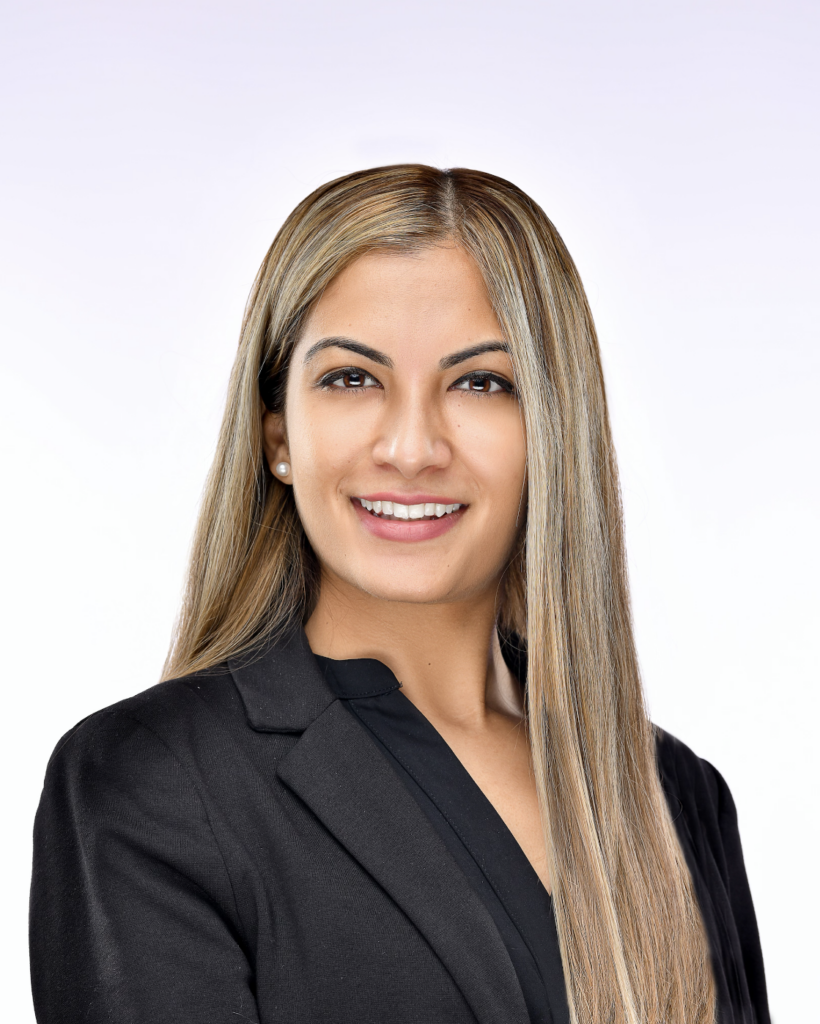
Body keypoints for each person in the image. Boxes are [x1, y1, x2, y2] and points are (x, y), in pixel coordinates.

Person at [29, 165, 770, 1024]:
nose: (412, 448)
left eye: (480, 382)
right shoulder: (153, 785)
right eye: (351, 378)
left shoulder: (676, 794)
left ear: (553, 434)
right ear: (278, 434)